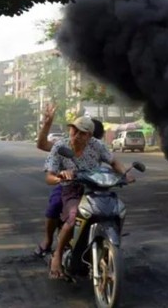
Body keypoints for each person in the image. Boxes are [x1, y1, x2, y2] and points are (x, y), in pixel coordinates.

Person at [44, 116, 131, 279]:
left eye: (82, 132)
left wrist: (125, 173)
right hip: (71, 189)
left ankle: (112, 244)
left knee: (117, 209)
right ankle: (57, 255)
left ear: (89, 135)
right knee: (74, 215)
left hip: (96, 187)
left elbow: (114, 162)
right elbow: (49, 176)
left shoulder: (97, 145)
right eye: (74, 130)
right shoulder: (60, 146)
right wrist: (60, 177)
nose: (76, 135)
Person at [34, 104, 106, 257]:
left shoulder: (98, 147)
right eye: (77, 132)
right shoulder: (64, 144)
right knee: (54, 206)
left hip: (92, 187)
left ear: (92, 137)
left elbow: (113, 163)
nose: (80, 137)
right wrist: (47, 124)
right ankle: (48, 241)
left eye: (85, 134)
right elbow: (42, 145)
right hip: (68, 185)